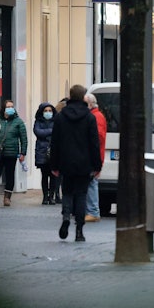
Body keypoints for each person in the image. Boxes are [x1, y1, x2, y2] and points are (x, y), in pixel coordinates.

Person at [49, 85, 102, 241]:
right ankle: (79, 230)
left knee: (67, 192)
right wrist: (97, 165)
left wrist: (54, 165)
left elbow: (55, 143)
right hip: (84, 163)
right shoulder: (89, 117)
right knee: (81, 195)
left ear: (70, 96)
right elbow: (94, 143)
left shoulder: (60, 117)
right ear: (83, 97)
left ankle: (66, 216)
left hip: (66, 162)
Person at [0, 99, 27, 209]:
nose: (11, 108)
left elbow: (24, 138)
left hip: (11, 152)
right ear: (3, 108)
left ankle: (7, 197)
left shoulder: (18, 122)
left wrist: (23, 153)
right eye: (8, 107)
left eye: (12, 106)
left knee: (10, 174)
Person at [83, 93, 107, 221]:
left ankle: (93, 211)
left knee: (91, 183)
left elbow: (98, 137)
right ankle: (91, 210)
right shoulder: (95, 116)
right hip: (93, 155)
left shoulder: (96, 117)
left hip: (93, 155)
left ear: (90, 104)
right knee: (90, 183)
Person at [32, 103, 57, 204]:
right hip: (42, 151)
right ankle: (45, 196)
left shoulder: (56, 120)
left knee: (53, 175)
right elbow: (38, 132)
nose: (48, 113)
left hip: (54, 151)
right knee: (44, 175)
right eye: (46, 111)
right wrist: (51, 131)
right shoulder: (38, 121)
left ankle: (51, 196)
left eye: (50, 111)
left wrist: (46, 133)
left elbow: (58, 132)